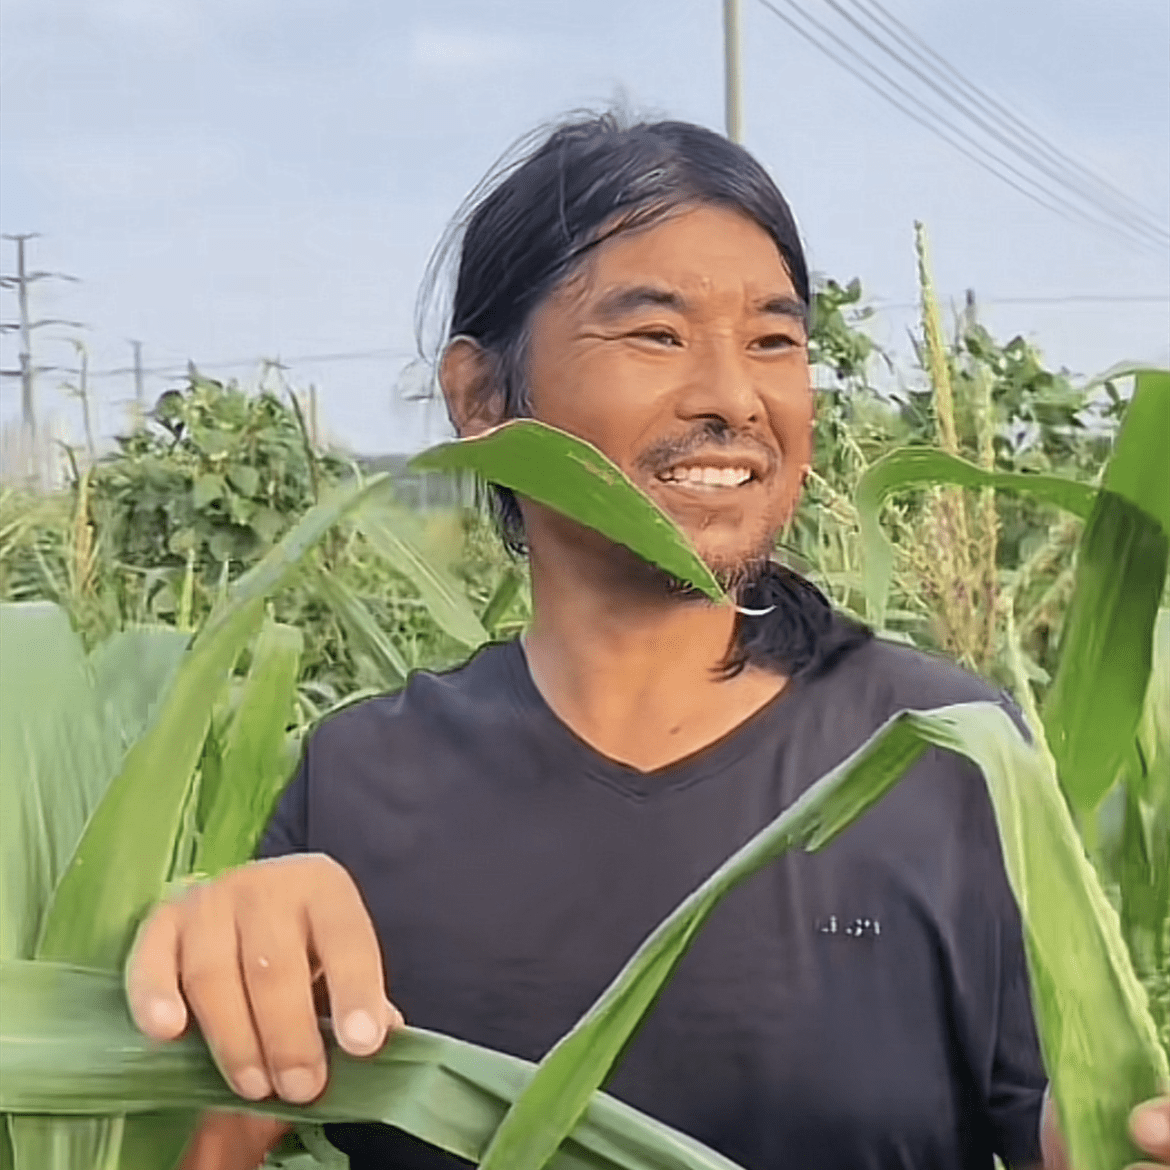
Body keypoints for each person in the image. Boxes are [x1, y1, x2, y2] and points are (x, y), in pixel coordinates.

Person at [127, 114, 1170, 1170]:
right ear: (481, 397)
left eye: (775, 341)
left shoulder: (947, 756)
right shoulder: (361, 784)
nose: (732, 397)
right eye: (656, 335)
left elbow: (1062, 1129)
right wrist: (211, 981)